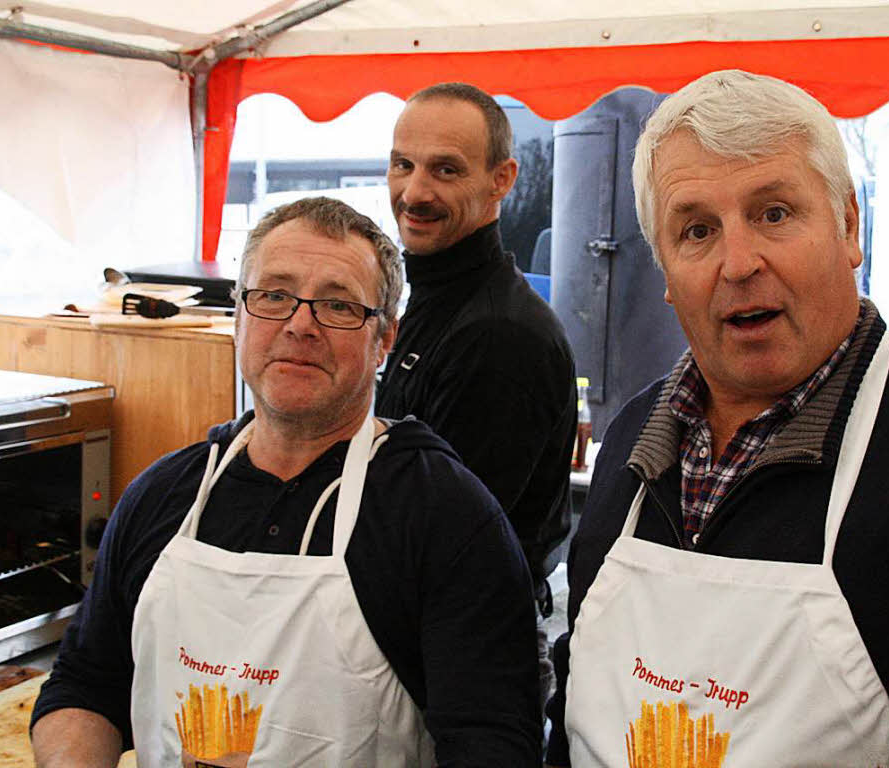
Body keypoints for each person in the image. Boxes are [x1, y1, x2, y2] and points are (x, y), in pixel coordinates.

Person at [545, 70, 889, 767]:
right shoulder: (632, 444)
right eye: (698, 230)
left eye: (773, 213)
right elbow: (576, 701)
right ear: (668, 276)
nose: (738, 263)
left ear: (849, 225)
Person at [31, 197, 542, 767]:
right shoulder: (163, 496)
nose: (301, 325)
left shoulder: (446, 518)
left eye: (339, 305)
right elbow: (83, 685)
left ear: (385, 338)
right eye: (274, 295)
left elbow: (492, 744)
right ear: (239, 313)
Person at [376, 82, 577, 710]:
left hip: (463, 659)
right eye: (403, 164)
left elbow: (443, 540)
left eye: (445, 170)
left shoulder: (497, 334)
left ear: (502, 179)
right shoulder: (435, 301)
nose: (414, 192)